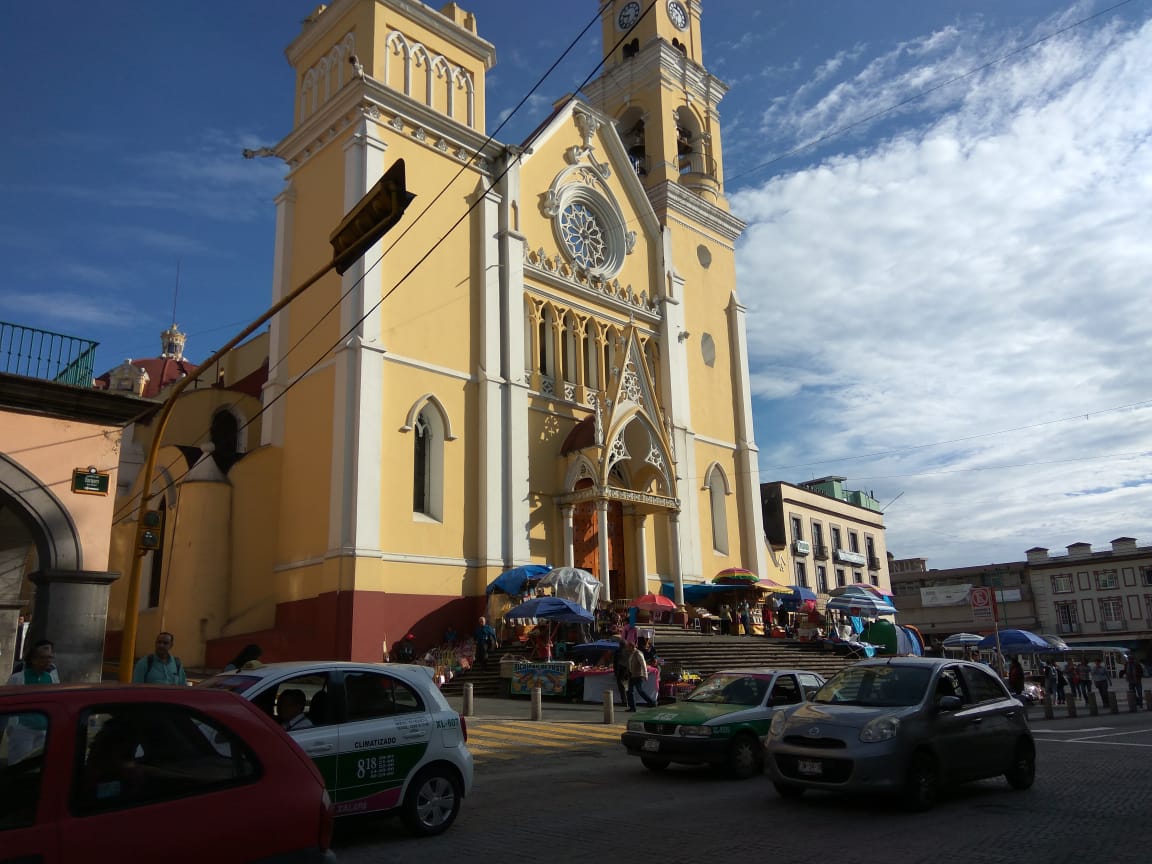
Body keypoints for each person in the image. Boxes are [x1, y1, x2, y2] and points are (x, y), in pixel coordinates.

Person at [624, 641, 656, 712]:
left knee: (639, 690)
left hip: (638, 675)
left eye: (628, 647)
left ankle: (652, 702)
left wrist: (645, 674)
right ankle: (632, 707)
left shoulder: (638, 653)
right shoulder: (631, 653)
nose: (627, 648)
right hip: (632, 674)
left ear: (631, 647)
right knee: (630, 691)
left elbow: (643, 664)